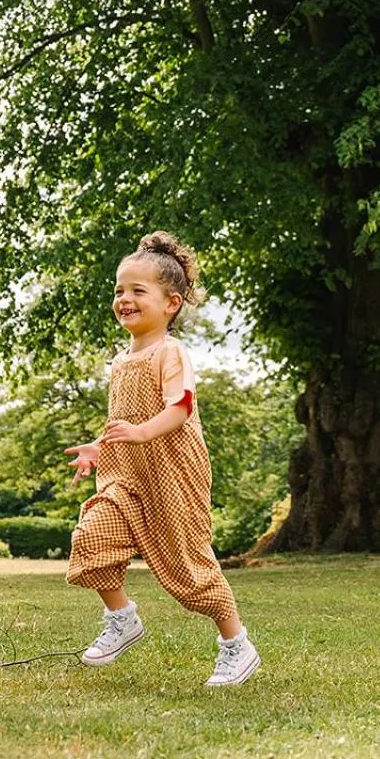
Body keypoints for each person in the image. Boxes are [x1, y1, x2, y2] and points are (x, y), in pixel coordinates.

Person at [63, 231, 261, 687]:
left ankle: (236, 645)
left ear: (171, 303)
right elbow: (123, 419)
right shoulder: (119, 361)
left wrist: (139, 433)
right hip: (125, 475)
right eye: (119, 290)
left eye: (137, 290)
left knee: (188, 566)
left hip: (171, 473)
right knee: (90, 538)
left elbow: (180, 408)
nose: (124, 299)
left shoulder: (170, 352)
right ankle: (123, 618)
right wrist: (102, 446)